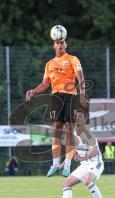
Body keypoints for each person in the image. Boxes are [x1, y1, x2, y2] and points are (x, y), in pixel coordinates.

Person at [26, 27, 88, 177]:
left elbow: (80, 77)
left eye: (62, 42)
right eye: (57, 43)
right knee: (56, 129)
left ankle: (66, 166)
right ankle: (55, 164)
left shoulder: (73, 59)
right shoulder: (49, 64)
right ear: (54, 45)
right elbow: (45, 84)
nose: (60, 45)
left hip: (71, 96)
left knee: (68, 129)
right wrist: (34, 91)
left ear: (66, 45)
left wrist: (82, 93)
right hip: (55, 97)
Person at [53, 110, 109, 198]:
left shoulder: (87, 133)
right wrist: (64, 162)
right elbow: (73, 149)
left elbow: (95, 151)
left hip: (95, 162)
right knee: (66, 184)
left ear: (85, 120)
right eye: (76, 117)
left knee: (87, 181)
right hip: (84, 164)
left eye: (80, 117)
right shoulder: (72, 133)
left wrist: (83, 157)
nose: (77, 118)